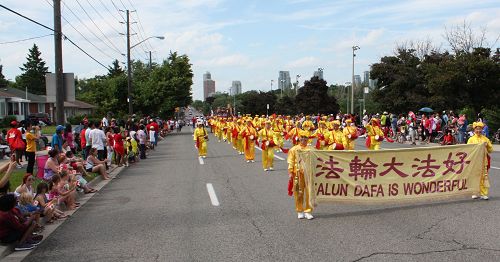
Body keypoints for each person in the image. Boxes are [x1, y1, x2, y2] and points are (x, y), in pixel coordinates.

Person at [287, 131, 314, 220]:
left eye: (305, 137)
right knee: (298, 193)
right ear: (299, 138)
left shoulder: (311, 149)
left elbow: (319, 158)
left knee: (309, 193)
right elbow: (290, 161)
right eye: (302, 137)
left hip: (309, 174)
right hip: (297, 174)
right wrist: (290, 172)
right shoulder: (294, 149)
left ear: (308, 139)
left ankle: (308, 211)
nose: (304, 139)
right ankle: (299, 210)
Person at [467, 121, 493, 200]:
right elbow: (468, 150)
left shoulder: (485, 139)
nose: (478, 131)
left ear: (482, 129)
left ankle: (483, 193)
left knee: (483, 177)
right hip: (474, 161)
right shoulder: (471, 139)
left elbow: (491, 150)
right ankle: (474, 192)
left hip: (483, 161)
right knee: (474, 176)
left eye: (480, 129)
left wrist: (487, 145)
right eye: (477, 129)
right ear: (474, 130)